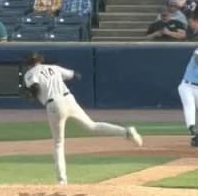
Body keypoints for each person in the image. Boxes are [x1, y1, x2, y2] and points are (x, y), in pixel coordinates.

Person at [21, 51, 142, 185]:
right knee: (92, 126)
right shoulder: (53, 68)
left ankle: (62, 180)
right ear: (40, 60)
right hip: (69, 99)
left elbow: (35, 87)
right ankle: (126, 132)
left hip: (54, 104)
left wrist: (31, 95)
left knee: (58, 143)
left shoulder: (30, 74)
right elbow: (75, 75)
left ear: (28, 64)